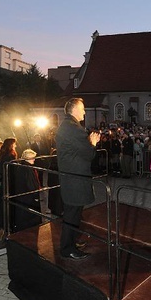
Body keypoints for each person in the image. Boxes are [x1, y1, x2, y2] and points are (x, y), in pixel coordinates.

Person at [55, 97, 100, 260]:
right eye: (82, 108)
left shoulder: (68, 126)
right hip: (74, 180)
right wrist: (93, 142)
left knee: (73, 213)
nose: (84, 112)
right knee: (72, 214)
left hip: (71, 179)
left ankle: (71, 242)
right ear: (74, 109)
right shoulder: (74, 128)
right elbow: (88, 154)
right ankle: (67, 248)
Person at [11, 149, 43, 232]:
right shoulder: (27, 168)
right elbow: (30, 184)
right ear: (27, 158)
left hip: (23, 194)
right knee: (29, 214)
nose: (34, 159)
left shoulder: (23, 166)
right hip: (28, 196)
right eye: (32, 158)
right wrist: (36, 194)